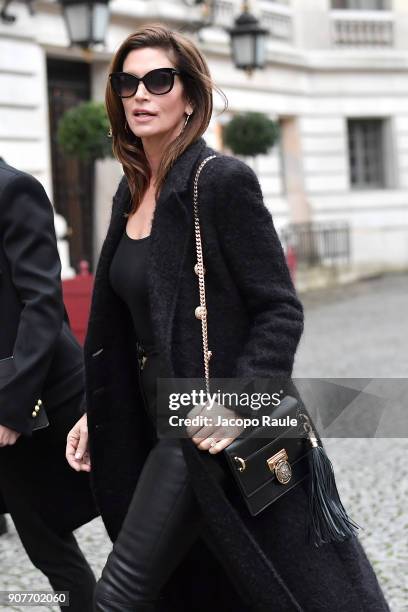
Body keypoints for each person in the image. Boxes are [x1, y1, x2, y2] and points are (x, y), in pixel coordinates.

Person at [66, 25, 390, 612]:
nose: (140, 94)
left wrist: (240, 398)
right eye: (127, 82)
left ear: (188, 95)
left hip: (200, 422)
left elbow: (279, 306)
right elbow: (124, 324)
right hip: (143, 416)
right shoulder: (131, 189)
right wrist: (98, 403)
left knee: (121, 592)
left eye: (158, 80)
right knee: (202, 587)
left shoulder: (218, 183)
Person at [0, 158, 98, 611]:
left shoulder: (14, 190)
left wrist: (10, 404)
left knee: (57, 545)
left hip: (47, 399)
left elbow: (42, 303)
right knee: (46, 548)